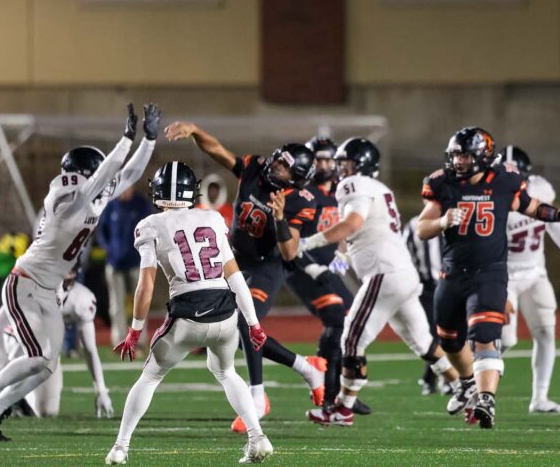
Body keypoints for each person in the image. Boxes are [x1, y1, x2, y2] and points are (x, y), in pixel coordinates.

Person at [0, 104, 159, 442]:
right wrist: (125, 141)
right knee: (37, 355)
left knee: (46, 364)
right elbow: (94, 184)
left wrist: (149, 140)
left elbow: (126, 176)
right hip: (24, 284)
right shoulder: (63, 195)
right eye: (98, 171)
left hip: (50, 291)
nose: (104, 176)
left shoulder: (92, 196)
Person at [416, 127, 560, 429]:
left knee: (485, 337)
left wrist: (558, 215)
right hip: (452, 274)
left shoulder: (505, 181)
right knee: (450, 341)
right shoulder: (443, 183)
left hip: (489, 274)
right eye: (455, 154)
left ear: (482, 155)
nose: (458, 161)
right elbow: (421, 228)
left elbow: (531, 206)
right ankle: (468, 383)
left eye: (465, 155)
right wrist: (442, 221)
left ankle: (486, 399)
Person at [164, 121, 327, 433]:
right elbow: (220, 153)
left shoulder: (301, 201)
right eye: (278, 161)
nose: (276, 168)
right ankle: (308, 369)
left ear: (298, 179)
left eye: (284, 168)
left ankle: (257, 396)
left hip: (268, 265)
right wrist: (196, 131)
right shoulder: (254, 169)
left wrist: (279, 217)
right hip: (235, 258)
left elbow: (290, 252)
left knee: (244, 324)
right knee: (229, 328)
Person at [106, 162, 272, 465]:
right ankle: (257, 437)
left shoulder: (150, 224)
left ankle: (121, 446)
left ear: (157, 191)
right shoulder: (211, 217)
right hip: (225, 311)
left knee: (150, 377)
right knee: (226, 372)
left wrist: (134, 331)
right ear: (191, 191)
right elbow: (234, 276)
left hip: (187, 313)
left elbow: (145, 284)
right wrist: (254, 324)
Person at [299, 138, 459, 426]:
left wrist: (307, 243)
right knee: (423, 342)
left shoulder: (353, 185)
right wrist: (340, 259)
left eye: (345, 162)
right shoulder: (380, 188)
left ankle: (343, 409)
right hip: (402, 274)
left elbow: (352, 224)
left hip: (384, 274)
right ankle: (464, 387)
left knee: (350, 339)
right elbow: (359, 236)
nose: (340, 168)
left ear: (360, 164)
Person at [499, 146, 560, 413]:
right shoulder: (491, 197)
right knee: (504, 340)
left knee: (545, 333)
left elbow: (553, 220)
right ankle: (473, 380)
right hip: (503, 276)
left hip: (535, 272)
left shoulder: (540, 188)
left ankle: (539, 398)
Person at [285, 136, 370, 414]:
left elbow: (343, 227)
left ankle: (337, 392)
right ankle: (326, 386)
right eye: (318, 159)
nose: (324, 165)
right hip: (301, 267)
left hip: (329, 268)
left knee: (350, 322)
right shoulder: (300, 193)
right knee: (337, 317)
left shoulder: (341, 190)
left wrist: (342, 255)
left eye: (328, 159)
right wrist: (311, 265)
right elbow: (289, 238)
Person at [0, 271, 113, 419]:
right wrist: (5, 366)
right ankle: (6, 398)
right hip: (16, 339)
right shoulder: (31, 285)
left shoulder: (81, 299)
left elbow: (90, 349)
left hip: (48, 349)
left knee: (48, 412)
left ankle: (20, 401)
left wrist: (101, 391)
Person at [96, 184, 153, 348]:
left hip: (137, 263)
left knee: (141, 302)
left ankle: (140, 341)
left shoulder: (141, 204)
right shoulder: (111, 205)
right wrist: (109, 250)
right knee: (116, 305)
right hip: (114, 263)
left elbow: (149, 230)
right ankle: (120, 340)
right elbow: (102, 232)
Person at [403, 214, 448, 396]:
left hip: (451, 284)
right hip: (425, 287)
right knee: (434, 334)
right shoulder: (414, 225)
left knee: (451, 333)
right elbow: (404, 254)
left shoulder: (454, 220)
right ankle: (439, 378)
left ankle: (435, 378)